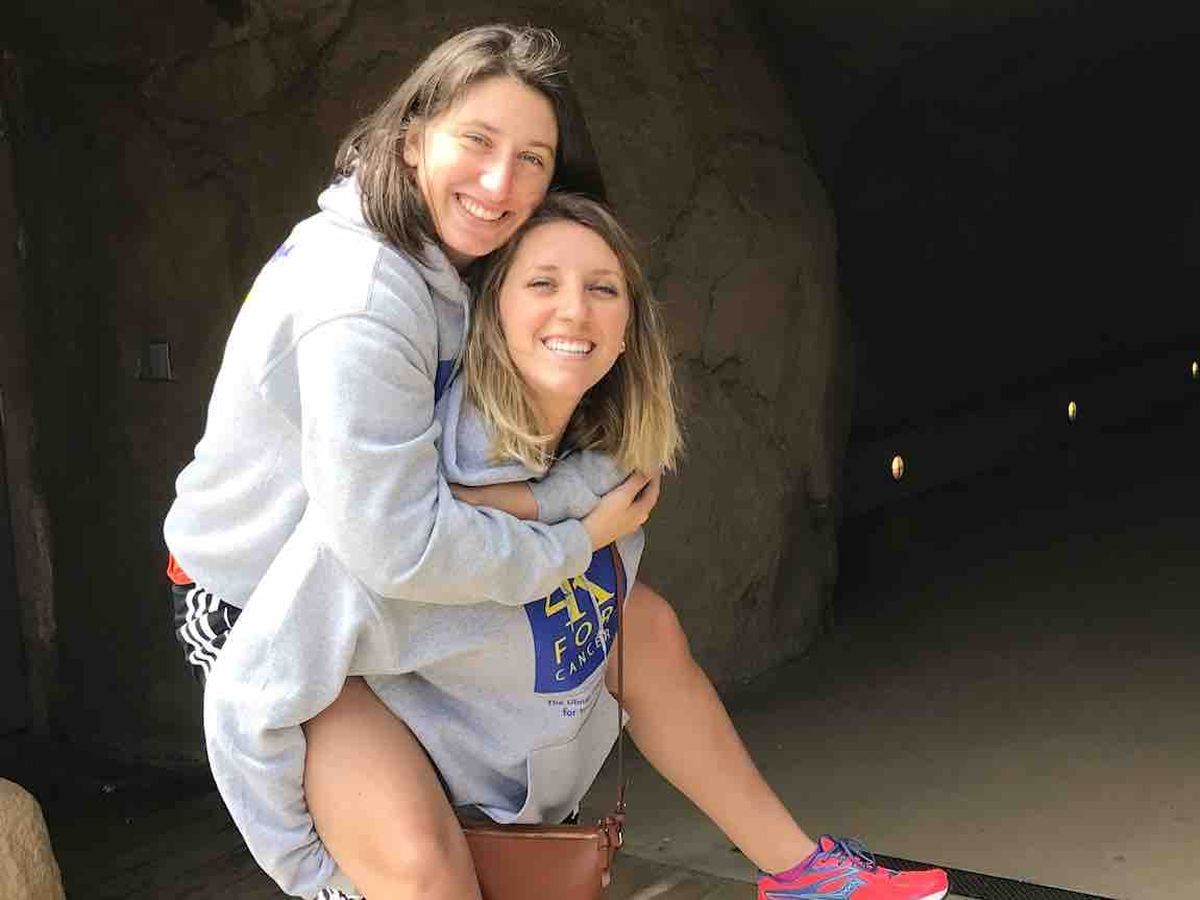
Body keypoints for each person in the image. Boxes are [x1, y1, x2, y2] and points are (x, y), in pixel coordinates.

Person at [165, 23, 950, 900]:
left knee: (639, 630)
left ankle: (799, 874)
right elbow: (390, 543)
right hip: (268, 597)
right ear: (412, 134)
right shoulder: (363, 296)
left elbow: (503, 478)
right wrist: (573, 537)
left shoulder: (456, 253)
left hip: (384, 561)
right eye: (477, 141)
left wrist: (556, 504)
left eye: (531, 158)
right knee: (422, 867)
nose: (500, 183)